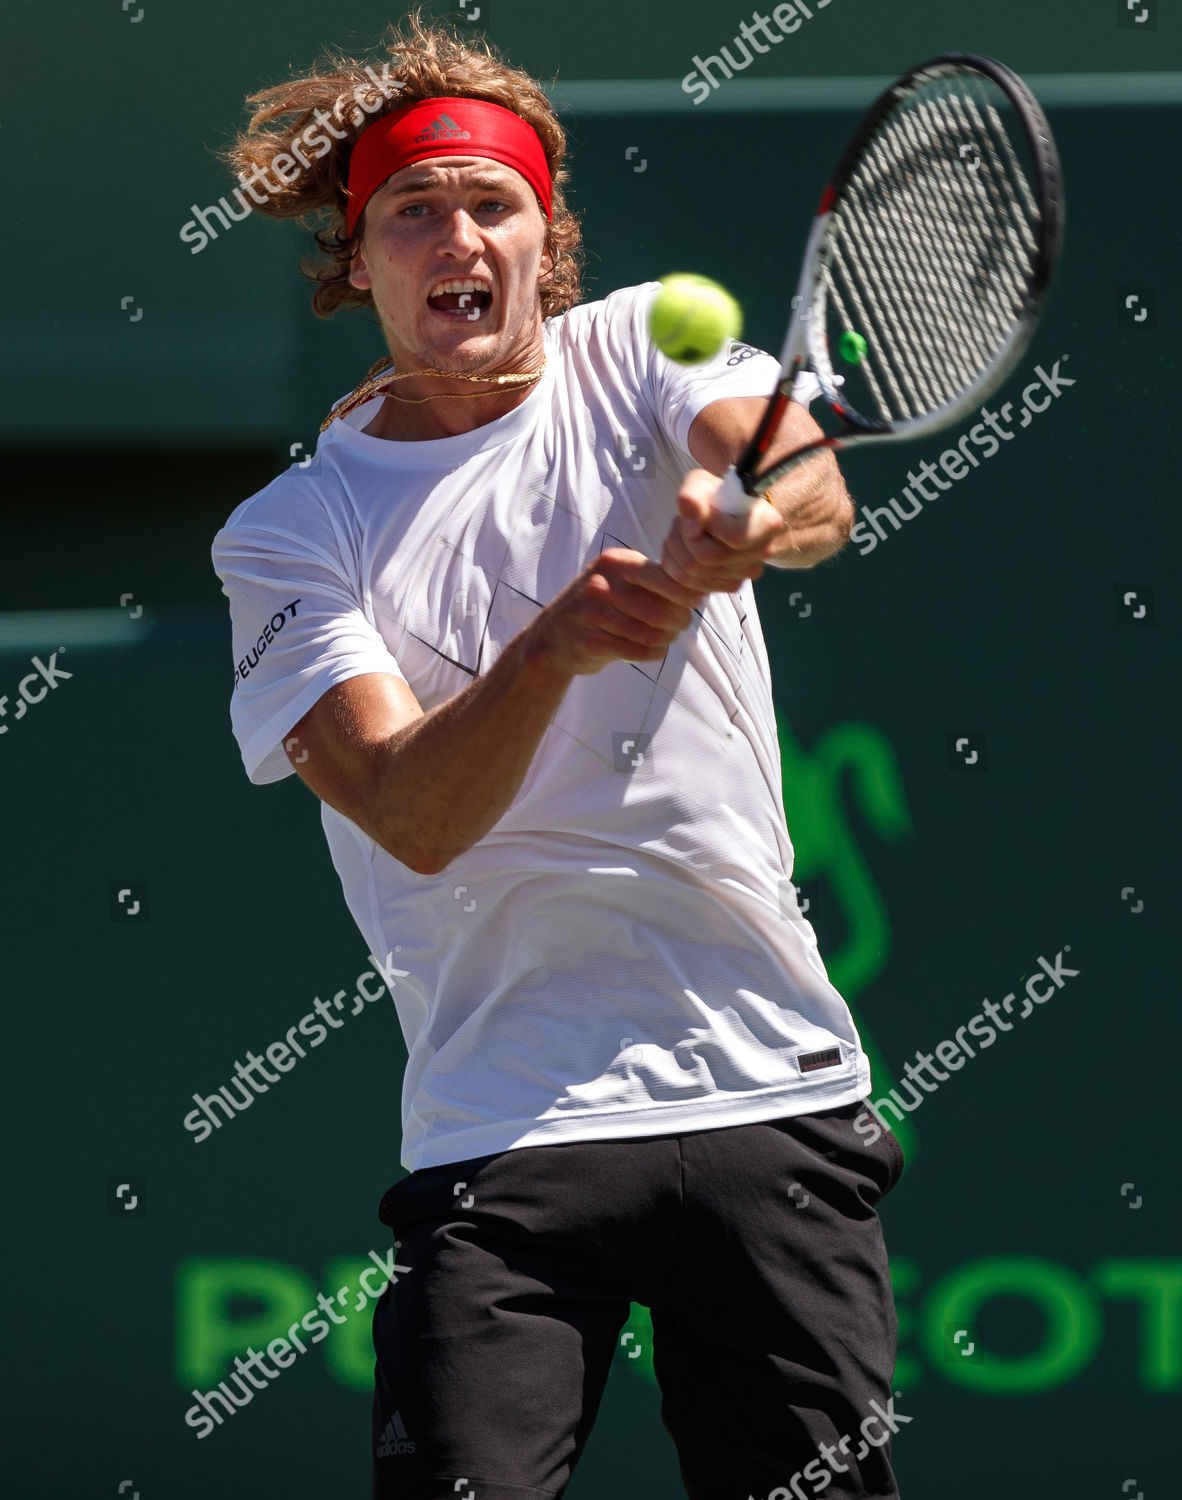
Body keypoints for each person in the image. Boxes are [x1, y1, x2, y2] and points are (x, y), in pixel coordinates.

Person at [211, 13, 905, 1499]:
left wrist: (745, 519)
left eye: (492, 203)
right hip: (505, 1128)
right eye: (413, 208)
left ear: (547, 239)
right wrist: (555, 648)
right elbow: (411, 813)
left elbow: (802, 486)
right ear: (358, 258)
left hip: (765, 1093)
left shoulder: (650, 339)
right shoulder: (287, 535)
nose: (457, 233)